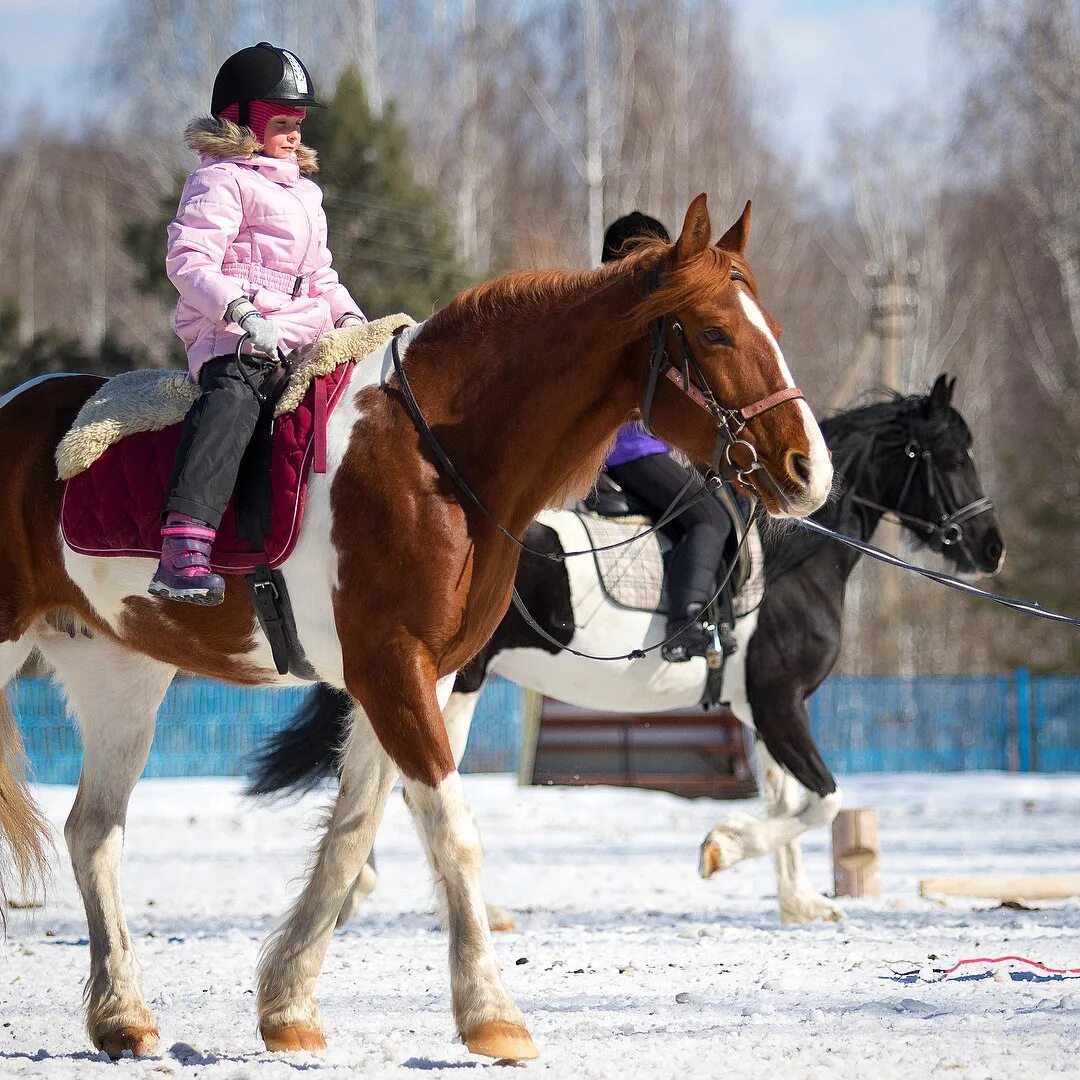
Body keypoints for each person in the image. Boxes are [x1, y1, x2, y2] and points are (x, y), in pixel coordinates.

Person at [149, 42, 365, 605]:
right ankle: (184, 542)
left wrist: (354, 321)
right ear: (240, 121)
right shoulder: (219, 180)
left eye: (297, 123)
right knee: (235, 399)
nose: (294, 134)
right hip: (232, 335)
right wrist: (240, 312)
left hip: (297, 330)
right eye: (281, 123)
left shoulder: (306, 194)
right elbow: (189, 260)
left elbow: (320, 274)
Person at [600, 212, 735, 663]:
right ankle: (686, 624)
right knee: (711, 518)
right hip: (628, 449)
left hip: (632, 447)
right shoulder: (634, 318)